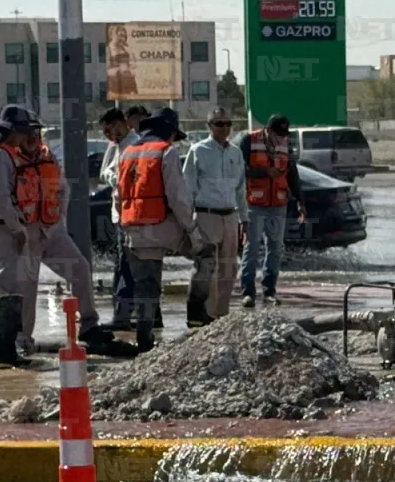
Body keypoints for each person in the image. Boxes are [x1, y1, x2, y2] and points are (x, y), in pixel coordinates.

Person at [0, 105, 112, 368]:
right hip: (18, 233)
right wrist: (19, 230)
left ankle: (89, 326)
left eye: (36, 134)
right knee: (23, 285)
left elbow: (62, 190)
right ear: (16, 134)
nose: (33, 139)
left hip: (49, 229)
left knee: (79, 268)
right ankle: (19, 342)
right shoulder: (3, 157)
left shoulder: (47, 157)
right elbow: (0, 199)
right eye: (28, 134)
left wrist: (57, 220)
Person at [118, 107, 204, 353]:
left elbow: (118, 195)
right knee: (207, 254)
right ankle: (198, 319)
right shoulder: (166, 152)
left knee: (144, 283)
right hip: (158, 227)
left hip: (131, 228)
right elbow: (177, 197)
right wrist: (192, 230)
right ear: (169, 132)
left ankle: (144, 337)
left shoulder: (127, 153)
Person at [183, 107, 247, 319]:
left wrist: (244, 220)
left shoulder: (235, 153)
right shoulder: (198, 151)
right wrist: (187, 223)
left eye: (228, 124)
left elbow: (240, 189)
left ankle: (222, 316)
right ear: (209, 126)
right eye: (219, 124)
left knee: (229, 269)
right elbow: (188, 188)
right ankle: (205, 316)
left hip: (230, 216)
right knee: (208, 269)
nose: (224, 128)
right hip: (206, 215)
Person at [240, 113, 305, 308]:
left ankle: (269, 291)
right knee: (251, 249)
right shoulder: (248, 141)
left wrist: (301, 201)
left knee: (275, 248)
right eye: (277, 134)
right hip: (254, 204)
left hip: (278, 205)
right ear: (267, 130)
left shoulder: (285, 144)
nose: (281, 138)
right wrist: (264, 172)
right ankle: (248, 293)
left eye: (283, 134)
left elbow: (292, 173)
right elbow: (239, 169)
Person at [99, 105, 155, 330]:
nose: (108, 136)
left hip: (131, 214)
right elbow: (106, 172)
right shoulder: (116, 146)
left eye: (109, 130)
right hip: (119, 211)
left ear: (120, 124)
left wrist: (119, 179)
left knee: (129, 266)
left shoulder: (135, 144)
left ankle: (125, 315)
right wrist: (116, 178)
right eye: (105, 133)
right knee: (123, 265)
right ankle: (125, 312)